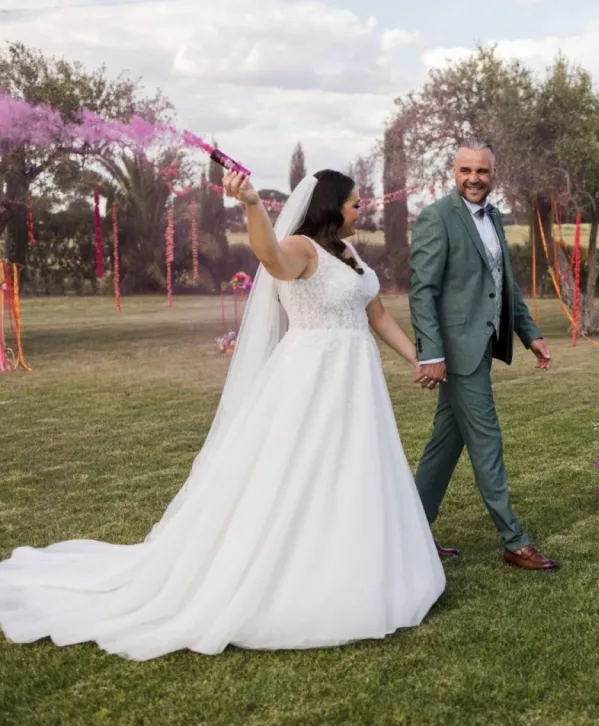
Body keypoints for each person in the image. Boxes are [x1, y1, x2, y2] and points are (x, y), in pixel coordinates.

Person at [0, 170, 445, 661]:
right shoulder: (299, 247)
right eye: (356, 205)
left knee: (354, 470)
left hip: (356, 382)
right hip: (312, 379)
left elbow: (377, 315)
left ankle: (359, 565)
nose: (363, 211)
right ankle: (294, 576)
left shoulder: (350, 255)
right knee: (299, 472)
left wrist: (421, 359)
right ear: (331, 207)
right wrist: (253, 205)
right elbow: (269, 258)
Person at [409, 137, 558, 571]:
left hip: (482, 346)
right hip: (456, 353)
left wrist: (530, 334)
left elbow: (504, 284)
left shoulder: (493, 216)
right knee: (487, 441)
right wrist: (431, 353)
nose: (474, 179)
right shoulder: (438, 218)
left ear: (494, 174)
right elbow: (423, 291)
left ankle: (412, 531)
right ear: (453, 173)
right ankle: (514, 540)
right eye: (466, 171)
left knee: (444, 445)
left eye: (483, 171)